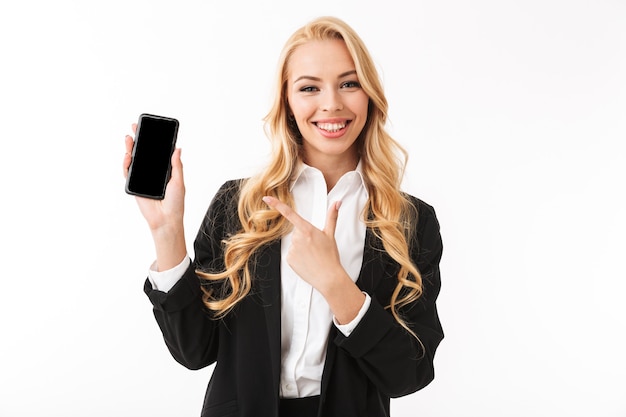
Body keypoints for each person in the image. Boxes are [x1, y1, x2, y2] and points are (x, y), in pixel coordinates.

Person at [123, 16, 443, 417]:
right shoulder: (237, 204)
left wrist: (336, 285)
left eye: (349, 83)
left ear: (370, 96)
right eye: (309, 87)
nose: (331, 103)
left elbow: (409, 374)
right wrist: (166, 232)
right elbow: (195, 351)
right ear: (288, 103)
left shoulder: (411, 221)